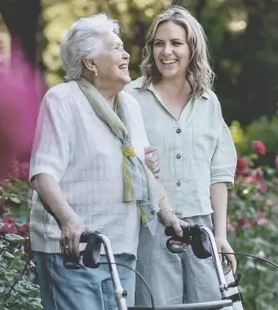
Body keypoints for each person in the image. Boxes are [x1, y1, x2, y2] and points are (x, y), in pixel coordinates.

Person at [28, 13, 184, 310]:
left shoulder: (130, 107)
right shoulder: (63, 100)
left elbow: (144, 171)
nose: (126, 54)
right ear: (90, 62)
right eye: (115, 48)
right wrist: (69, 220)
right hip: (75, 251)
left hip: (121, 247)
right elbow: (43, 173)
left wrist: (168, 215)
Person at [125, 5, 239, 307]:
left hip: (201, 230)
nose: (166, 52)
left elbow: (219, 173)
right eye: (159, 43)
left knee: (213, 303)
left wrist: (221, 235)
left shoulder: (208, 102)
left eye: (176, 43)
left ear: (192, 49)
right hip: (152, 229)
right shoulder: (131, 99)